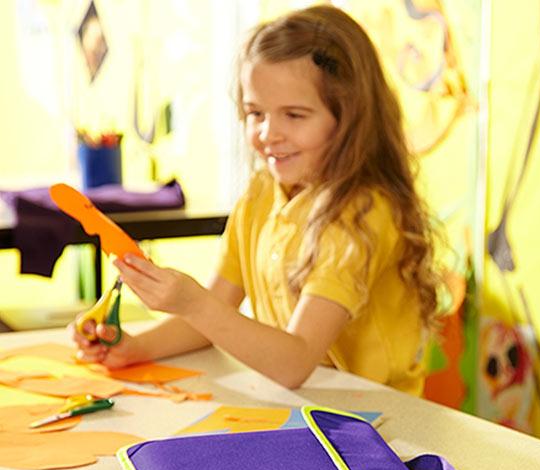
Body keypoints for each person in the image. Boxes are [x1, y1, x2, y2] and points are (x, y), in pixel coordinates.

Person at [72, 5, 442, 396]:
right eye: (255, 113)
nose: (268, 133)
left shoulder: (362, 215)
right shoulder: (261, 194)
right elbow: (216, 310)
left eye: (295, 115)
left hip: (381, 419)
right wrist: (134, 347)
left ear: (349, 118)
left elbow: (294, 362)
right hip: (306, 404)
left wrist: (191, 301)